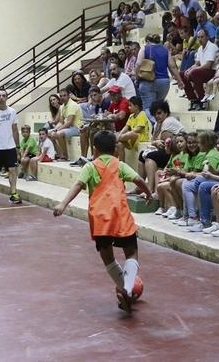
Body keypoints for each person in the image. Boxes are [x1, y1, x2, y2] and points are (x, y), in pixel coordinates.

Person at [52, 131, 151, 313]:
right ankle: (128, 289)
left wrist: (63, 204)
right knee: (131, 253)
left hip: (99, 219)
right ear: (115, 150)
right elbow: (138, 179)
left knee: (108, 257)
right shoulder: (119, 165)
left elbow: (78, 185)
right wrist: (149, 193)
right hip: (120, 215)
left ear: (94, 150)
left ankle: (125, 288)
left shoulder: (90, 167)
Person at [139, 100, 185, 210]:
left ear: (166, 112)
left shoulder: (168, 122)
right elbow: (154, 141)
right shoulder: (158, 124)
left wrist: (155, 142)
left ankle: (150, 188)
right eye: (154, 114)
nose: (157, 116)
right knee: (141, 154)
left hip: (176, 153)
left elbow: (165, 145)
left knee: (151, 156)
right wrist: (155, 142)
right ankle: (140, 186)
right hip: (167, 151)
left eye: (159, 113)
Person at [136, 34, 181, 120]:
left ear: (147, 41)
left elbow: (138, 64)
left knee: (149, 108)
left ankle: (157, 123)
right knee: (159, 108)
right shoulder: (165, 50)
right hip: (164, 81)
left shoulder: (145, 48)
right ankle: (161, 125)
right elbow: (172, 66)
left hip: (148, 81)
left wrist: (137, 78)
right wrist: (179, 80)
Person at [180, 28, 218, 111]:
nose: (200, 39)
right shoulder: (200, 48)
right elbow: (197, 63)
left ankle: (202, 98)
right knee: (182, 74)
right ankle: (193, 99)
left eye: (202, 37)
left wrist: (192, 70)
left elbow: (208, 65)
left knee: (194, 72)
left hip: (212, 72)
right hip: (202, 71)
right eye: (198, 37)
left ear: (207, 37)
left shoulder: (212, 47)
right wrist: (189, 69)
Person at [49, 88, 82, 162]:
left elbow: (69, 122)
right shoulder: (62, 107)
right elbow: (61, 122)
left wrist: (57, 130)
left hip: (77, 128)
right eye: (61, 96)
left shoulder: (72, 105)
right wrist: (54, 130)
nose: (62, 98)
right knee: (47, 133)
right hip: (69, 127)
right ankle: (58, 153)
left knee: (59, 133)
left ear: (68, 96)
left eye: (64, 95)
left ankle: (65, 156)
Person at [115, 96, 150, 160]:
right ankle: (121, 164)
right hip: (132, 138)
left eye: (130, 105)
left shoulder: (142, 114)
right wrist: (120, 134)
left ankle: (115, 140)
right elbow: (126, 126)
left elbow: (139, 128)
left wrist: (128, 134)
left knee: (130, 133)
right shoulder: (131, 116)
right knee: (119, 145)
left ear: (136, 107)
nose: (129, 107)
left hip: (141, 137)